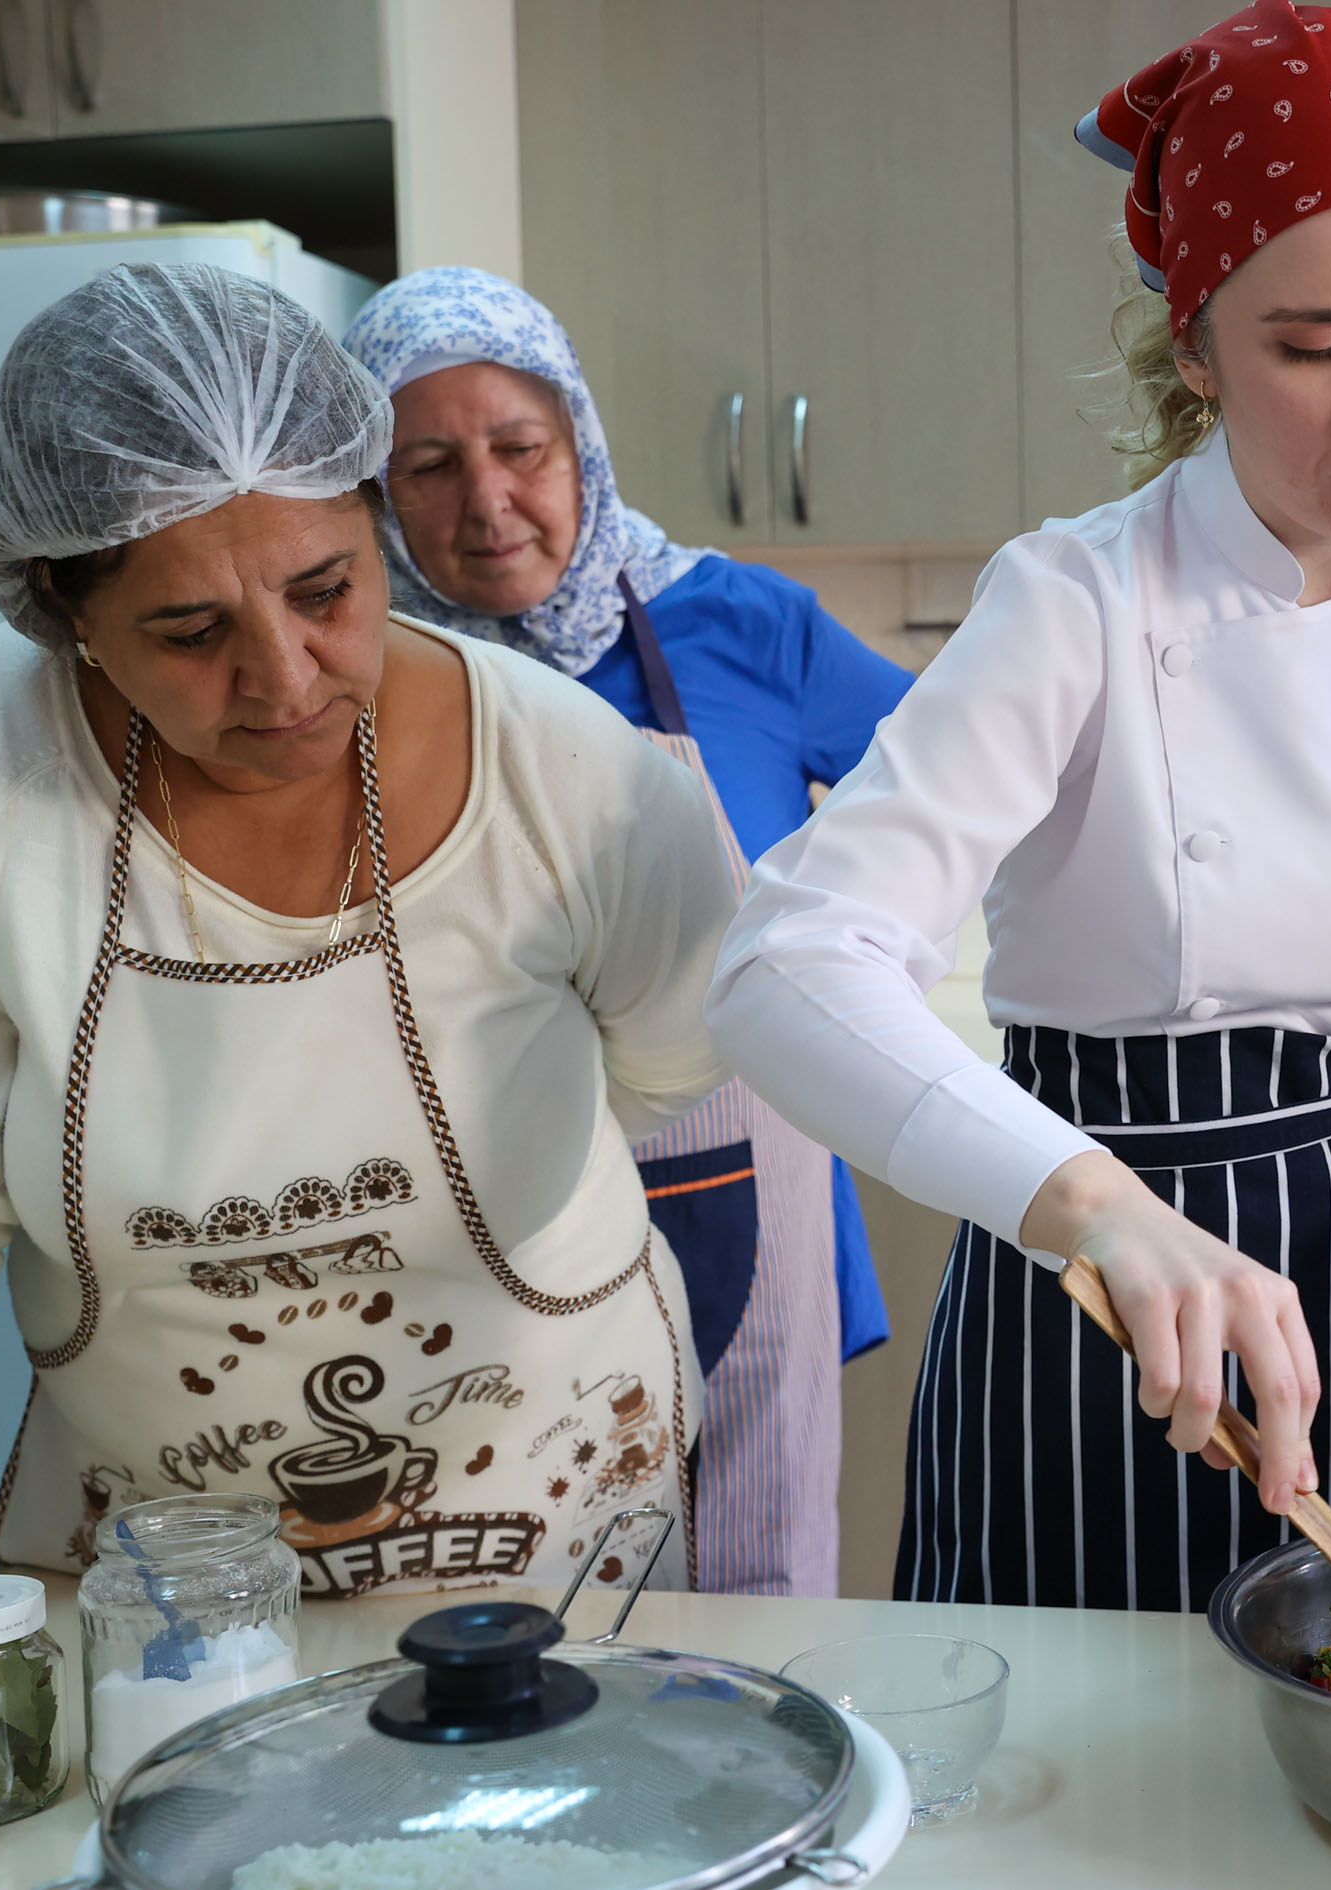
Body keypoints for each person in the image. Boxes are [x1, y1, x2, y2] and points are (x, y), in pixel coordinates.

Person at [710, 0, 1331, 1612]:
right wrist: (1102, 1213)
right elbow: (784, 965)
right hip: (1101, 1300)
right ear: (1192, 348)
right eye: (1310, 343)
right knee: (1092, 1802)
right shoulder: (1073, 599)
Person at [0, 263, 739, 1599]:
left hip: (546, 1514)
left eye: (325, 590)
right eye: (190, 629)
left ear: (372, 519)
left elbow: (663, 1061)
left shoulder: (573, 774)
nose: (286, 680)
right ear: (64, 614)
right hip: (153, 1548)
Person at [343, 269, 913, 1596]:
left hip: (741, 1201)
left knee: (750, 1587)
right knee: (521, 1602)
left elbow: (966, 792)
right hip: (472, 1216)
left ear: (579, 442)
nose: (486, 503)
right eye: (426, 465)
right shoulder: (355, 684)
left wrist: (862, 956)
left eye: (518, 449)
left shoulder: (742, 626)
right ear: (372, 493)